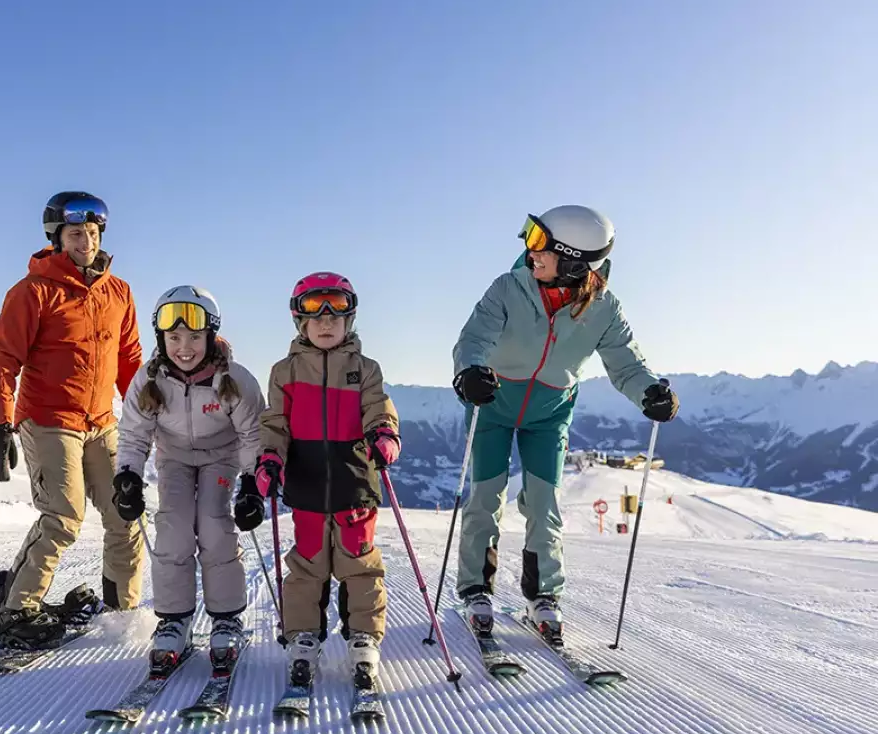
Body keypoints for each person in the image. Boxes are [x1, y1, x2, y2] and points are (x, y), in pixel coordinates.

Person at [452, 204, 679, 642]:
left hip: (549, 412)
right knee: (484, 497)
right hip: (492, 404)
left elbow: (627, 364)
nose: (528, 249)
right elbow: (473, 338)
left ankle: (543, 597)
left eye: (540, 243)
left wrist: (650, 391)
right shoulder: (507, 288)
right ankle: (476, 590)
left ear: (573, 261)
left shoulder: (604, 309)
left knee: (544, 504)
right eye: (530, 236)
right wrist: (470, 371)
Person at [0, 191, 146, 648]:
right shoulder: (33, 291)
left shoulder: (119, 292)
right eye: (75, 233)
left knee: (125, 514)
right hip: (50, 419)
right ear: (57, 238)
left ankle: (121, 612)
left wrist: (150, 420)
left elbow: (130, 360)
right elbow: (2, 360)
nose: (85, 241)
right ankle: (16, 609)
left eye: (92, 233)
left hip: (102, 421)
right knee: (64, 516)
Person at [255, 272, 401, 691]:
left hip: (354, 475)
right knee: (307, 561)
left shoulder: (365, 369)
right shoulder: (285, 371)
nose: (325, 320)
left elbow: (378, 407)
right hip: (306, 476)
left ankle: (364, 637)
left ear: (349, 318)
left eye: (335, 310)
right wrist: (269, 459)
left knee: (358, 561)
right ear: (299, 321)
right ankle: (303, 635)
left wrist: (384, 434)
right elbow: (276, 422)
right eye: (315, 312)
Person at [112, 286, 266, 672]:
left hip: (222, 458)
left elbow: (253, 435)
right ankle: (174, 619)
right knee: (174, 527)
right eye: (174, 337)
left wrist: (252, 484)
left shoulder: (235, 380)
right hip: (175, 459)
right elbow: (133, 435)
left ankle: (226, 617)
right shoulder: (149, 380)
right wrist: (127, 476)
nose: (184, 347)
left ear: (210, 336)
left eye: (194, 337)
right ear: (161, 338)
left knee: (213, 526)